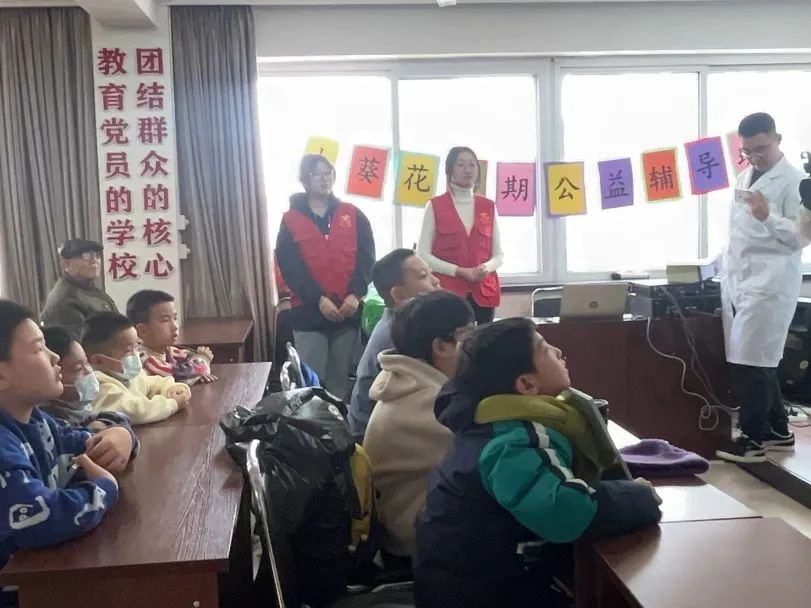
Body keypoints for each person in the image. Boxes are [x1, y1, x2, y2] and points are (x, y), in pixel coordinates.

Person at [414, 318, 662, 608]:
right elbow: (565, 514)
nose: (559, 352)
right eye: (545, 350)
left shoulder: (489, 423)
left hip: (468, 582)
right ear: (527, 384)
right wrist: (637, 497)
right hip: (484, 594)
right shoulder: (514, 442)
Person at [0, 300, 129, 570]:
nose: (54, 357)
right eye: (38, 348)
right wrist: (105, 487)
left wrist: (120, 435)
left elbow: (86, 439)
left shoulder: (36, 421)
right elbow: (45, 518)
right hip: (19, 585)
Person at [717, 113, 807, 464]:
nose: (755, 157)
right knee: (755, 361)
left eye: (761, 149)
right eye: (748, 151)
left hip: (771, 285)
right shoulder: (745, 175)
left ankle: (752, 439)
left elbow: (800, 238)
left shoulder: (795, 182)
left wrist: (767, 216)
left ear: (778, 139)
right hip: (742, 281)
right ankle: (778, 431)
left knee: (752, 363)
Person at [363, 291, 474, 557]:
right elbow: (483, 453)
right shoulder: (429, 402)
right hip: (415, 540)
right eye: (470, 333)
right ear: (441, 346)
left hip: (408, 522)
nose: (477, 343)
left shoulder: (409, 382)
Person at [276, 154, 375, 400]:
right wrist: (318, 299)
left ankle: (339, 424)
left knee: (340, 380)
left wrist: (356, 294)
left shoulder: (353, 214)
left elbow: (367, 257)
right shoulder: (290, 220)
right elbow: (290, 267)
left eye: (328, 173)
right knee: (312, 383)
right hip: (309, 311)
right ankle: (313, 424)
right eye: (316, 174)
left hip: (347, 309)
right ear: (305, 180)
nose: (324, 179)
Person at [347, 249, 440, 439]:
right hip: (372, 435)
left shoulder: (402, 322)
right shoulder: (400, 335)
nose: (436, 281)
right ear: (398, 295)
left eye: (431, 273)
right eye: (423, 276)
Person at [417, 146, 503, 325]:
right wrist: (459, 271)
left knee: (484, 339)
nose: (467, 170)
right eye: (461, 165)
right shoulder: (435, 205)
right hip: (448, 291)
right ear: (450, 171)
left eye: (472, 165)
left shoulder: (488, 206)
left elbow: (499, 255)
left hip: (483, 291)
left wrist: (485, 268)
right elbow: (423, 255)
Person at [41, 327, 141, 458]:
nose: (89, 372)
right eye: (78, 369)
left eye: (87, 363)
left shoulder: (80, 411)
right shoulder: (51, 423)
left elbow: (119, 418)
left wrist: (111, 427)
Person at [82, 312, 191, 425]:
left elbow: (155, 383)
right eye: (128, 350)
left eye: (136, 346)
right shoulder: (97, 385)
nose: (136, 354)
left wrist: (172, 389)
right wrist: (172, 403)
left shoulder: (129, 374)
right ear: (99, 361)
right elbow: (134, 411)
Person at [125, 290, 216, 386]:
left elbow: (190, 359)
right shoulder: (141, 358)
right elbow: (179, 376)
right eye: (165, 320)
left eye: (175, 318)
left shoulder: (167, 350)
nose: (175, 326)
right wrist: (202, 360)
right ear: (143, 330)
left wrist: (199, 365)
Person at [41, 239, 118, 340]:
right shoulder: (66, 299)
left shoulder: (89, 288)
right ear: (67, 264)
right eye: (86, 256)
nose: (94, 260)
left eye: (97, 255)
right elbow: (78, 345)